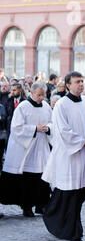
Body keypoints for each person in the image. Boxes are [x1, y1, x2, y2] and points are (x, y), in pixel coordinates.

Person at [42, 71, 85, 241]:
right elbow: (63, 131)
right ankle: (74, 232)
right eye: (77, 82)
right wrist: (83, 142)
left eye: (82, 81)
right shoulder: (62, 104)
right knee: (71, 194)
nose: (81, 85)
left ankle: (55, 218)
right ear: (68, 85)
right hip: (70, 157)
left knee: (84, 191)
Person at [0, 82, 52, 217]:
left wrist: (48, 128)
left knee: (43, 177)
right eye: (39, 95)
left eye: (43, 95)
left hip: (41, 147)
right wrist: (35, 129)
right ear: (32, 93)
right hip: (26, 148)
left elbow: (52, 123)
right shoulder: (23, 107)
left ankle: (42, 205)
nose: (42, 97)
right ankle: (27, 206)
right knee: (28, 180)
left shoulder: (46, 107)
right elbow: (16, 127)